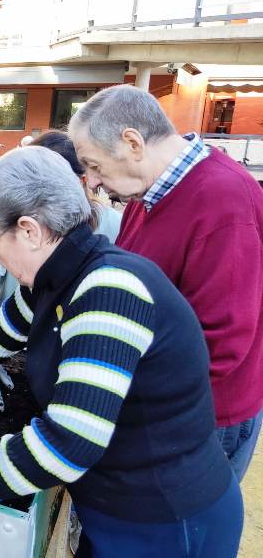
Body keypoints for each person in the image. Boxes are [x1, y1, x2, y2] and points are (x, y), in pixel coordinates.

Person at [0, 147, 243, 556]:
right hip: (113, 503)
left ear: (30, 231)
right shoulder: (53, 282)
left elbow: (68, 444)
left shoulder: (108, 292)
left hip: (165, 519)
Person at [69, 84, 263, 482]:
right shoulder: (149, 194)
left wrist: (110, 386)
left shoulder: (223, 201)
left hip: (202, 418)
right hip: (162, 405)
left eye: (94, 165)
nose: (91, 181)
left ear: (132, 142)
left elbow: (220, 345)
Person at [0, 130, 122, 417]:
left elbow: (73, 438)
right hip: (13, 355)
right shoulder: (15, 235)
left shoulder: (114, 234)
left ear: (80, 183)